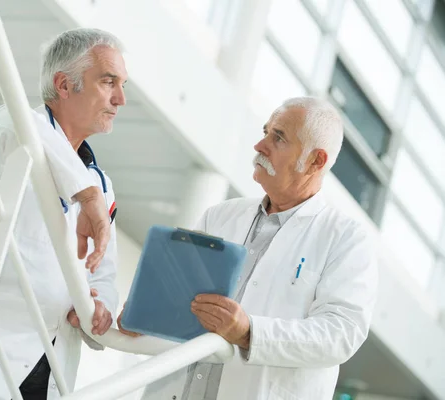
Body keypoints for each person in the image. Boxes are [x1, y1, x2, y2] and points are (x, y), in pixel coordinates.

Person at [119, 96, 378, 399]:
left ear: (315, 161)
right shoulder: (220, 215)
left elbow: (340, 335)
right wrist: (146, 317)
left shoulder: (346, 238)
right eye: (266, 131)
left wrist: (249, 332)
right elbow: (180, 303)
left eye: (278, 137)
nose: (260, 145)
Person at [0, 28, 128, 399]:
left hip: (50, 369)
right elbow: (27, 126)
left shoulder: (102, 184)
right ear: (64, 85)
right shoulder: (8, 130)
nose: (120, 99)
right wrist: (87, 196)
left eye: (122, 85)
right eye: (108, 81)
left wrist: (101, 305)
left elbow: (104, 273)